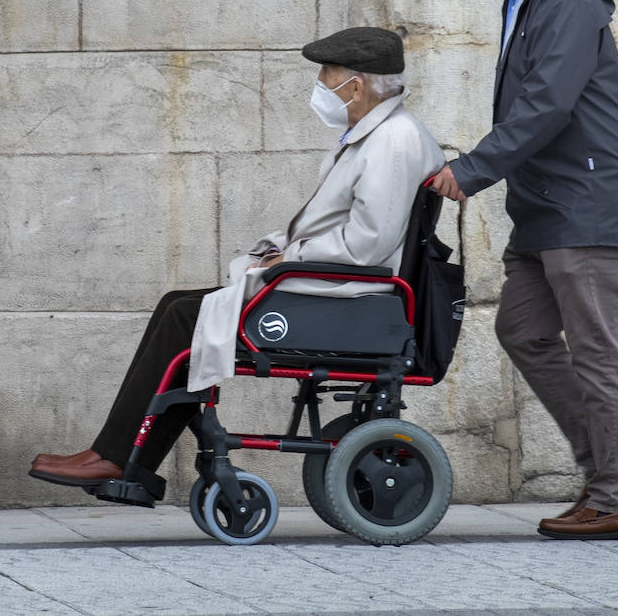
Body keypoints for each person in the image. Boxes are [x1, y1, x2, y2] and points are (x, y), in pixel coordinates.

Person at [30, 27, 444, 488]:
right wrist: (277, 251)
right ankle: (121, 457)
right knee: (178, 306)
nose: (321, 83)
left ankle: (120, 458)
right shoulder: (376, 135)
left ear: (358, 85)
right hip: (334, 285)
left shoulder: (392, 142)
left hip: (350, 295)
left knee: (186, 317)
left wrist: (289, 257)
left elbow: (366, 245)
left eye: (327, 72)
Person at [429, 0, 618, 541]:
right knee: (523, 328)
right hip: (551, 204)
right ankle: (615, 467)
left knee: (599, 350)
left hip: (588, 202)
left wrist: (470, 170)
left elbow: (548, 101)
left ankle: (615, 500)